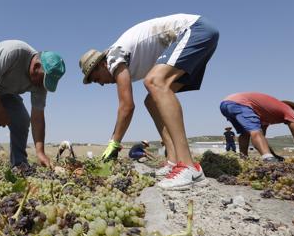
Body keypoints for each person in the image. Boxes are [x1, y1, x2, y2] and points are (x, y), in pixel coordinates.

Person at [80, 13, 219, 189]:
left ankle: (188, 166)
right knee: (151, 100)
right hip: (200, 34)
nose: (99, 83)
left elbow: (127, 106)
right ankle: (173, 161)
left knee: (154, 82)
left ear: (101, 65)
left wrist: (114, 143)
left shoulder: (113, 58)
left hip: (196, 30)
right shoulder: (120, 58)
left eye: (95, 78)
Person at [0, 40, 66, 172]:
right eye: (42, 79)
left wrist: (40, 152)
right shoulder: (15, 51)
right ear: (36, 66)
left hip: (3, 88)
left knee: (22, 119)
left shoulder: (41, 83)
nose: (41, 85)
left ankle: (19, 163)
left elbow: (37, 117)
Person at [219, 92, 294, 161]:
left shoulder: (266, 115)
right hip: (240, 104)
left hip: (225, 104)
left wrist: (275, 155)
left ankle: (244, 159)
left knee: (245, 133)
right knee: (255, 131)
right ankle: (268, 159)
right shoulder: (290, 111)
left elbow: (261, 140)